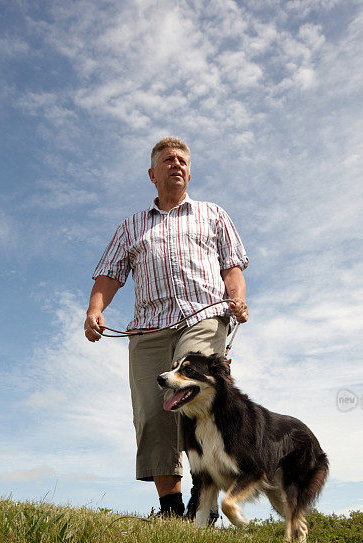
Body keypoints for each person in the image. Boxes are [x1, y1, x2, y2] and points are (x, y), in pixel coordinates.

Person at [84, 137, 249, 517]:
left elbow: (232, 266)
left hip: (202, 316)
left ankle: (203, 504)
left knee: (199, 403)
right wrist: (95, 310)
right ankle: (171, 510)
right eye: (168, 160)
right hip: (147, 330)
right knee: (154, 414)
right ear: (152, 174)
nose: (176, 165)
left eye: (182, 161)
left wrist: (236, 297)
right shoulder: (131, 227)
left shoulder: (213, 214)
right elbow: (109, 274)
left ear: (189, 172)